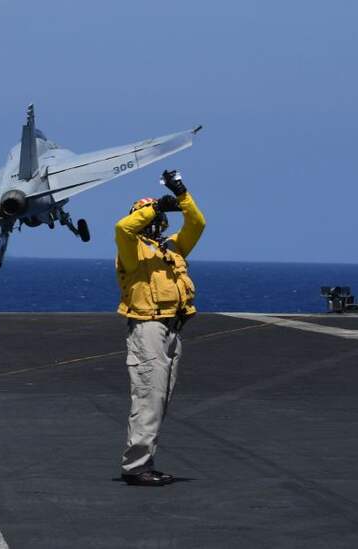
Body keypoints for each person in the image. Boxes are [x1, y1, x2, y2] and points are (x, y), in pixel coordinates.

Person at [114, 169, 205, 486]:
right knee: (148, 398)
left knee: (160, 398)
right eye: (148, 216)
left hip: (172, 329)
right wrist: (157, 205)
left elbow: (197, 223)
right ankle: (136, 467)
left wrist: (181, 193)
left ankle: (143, 462)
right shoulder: (130, 250)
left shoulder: (172, 248)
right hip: (148, 328)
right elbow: (122, 228)